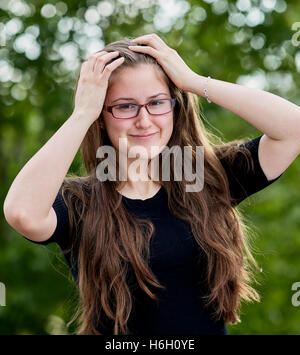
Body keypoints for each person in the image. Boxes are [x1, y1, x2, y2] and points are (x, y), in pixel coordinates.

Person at [3, 33, 300, 335]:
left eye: (157, 103)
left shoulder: (207, 177)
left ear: (174, 106)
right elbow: (22, 213)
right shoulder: (80, 203)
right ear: (102, 117)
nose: (144, 121)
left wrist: (194, 82)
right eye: (125, 106)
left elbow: (294, 129)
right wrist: (82, 114)